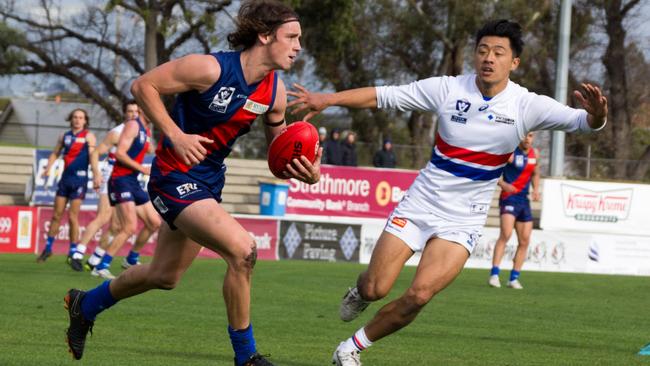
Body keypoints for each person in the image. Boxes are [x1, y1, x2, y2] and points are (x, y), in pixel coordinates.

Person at [288, 19, 607, 365]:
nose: (489, 58)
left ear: (514, 62)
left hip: (463, 218)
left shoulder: (526, 105)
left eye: (499, 52)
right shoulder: (448, 89)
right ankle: (360, 290)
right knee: (375, 288)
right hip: (421, 203)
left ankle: (350, 348)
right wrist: (327, 100)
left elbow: (581, 122)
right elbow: (385, 95)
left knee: (420, 294)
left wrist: (598, 115)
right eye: (483, 50)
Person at [63, 1, 320, 365]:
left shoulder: (274, 95)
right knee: (242, 251)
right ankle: (247, 357)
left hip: (209, 182)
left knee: (164, 275)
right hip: (172, 175)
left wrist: (304, 169)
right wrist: (175, 134)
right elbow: (143, 85)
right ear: (264, 35)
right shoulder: (209, 68)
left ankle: (84, 303)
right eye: (291, 37)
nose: (298, 46)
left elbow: (278, 157)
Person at [70, 100, 142, 272]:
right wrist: (96, 174)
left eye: (136, 111)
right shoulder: (117, 133)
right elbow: (96, 152)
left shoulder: (140, 133)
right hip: (111, 176)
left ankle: (94, 261)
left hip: (126, 179)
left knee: (117, 226)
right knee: (103, 217)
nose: (133, 114)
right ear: (125, 113)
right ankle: (77, 254)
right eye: (130, 111)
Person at [91, 108, 160, 279]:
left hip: (133, 181)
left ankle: (131, 258)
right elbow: (120, 154)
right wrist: (142, 169)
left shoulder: (146, 130)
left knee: (154, 222)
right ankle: (101, 266)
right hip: (120, 180)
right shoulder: (132, 125)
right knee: (129, 227)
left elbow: (149, 149)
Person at [37, 108, 100, 266]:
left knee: (73, 217)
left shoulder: (89, 136)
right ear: (71, 119)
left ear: (85, 121)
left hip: (80, 181)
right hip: (65, 181)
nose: (78, 120)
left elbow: (93, 157)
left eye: (81, 117)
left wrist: (96, 174)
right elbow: (55, 153)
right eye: (75, 117)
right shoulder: (64, 136)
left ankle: (72, 252)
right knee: (56, 216)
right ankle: (48, 248)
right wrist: (48, 168)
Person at [489, 132, 540, 289]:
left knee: (525, 240)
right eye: (525, 135)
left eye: (530, 136)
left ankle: (513, 278)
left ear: (534, 137)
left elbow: (535, 173)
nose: (527, 139)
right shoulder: (510, 152)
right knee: (506, 234)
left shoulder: (535, 153)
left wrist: (536, 189)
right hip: (509, 198)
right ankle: (494, 274)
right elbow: (494, 171)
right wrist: (503, 185)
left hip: (524, 200)